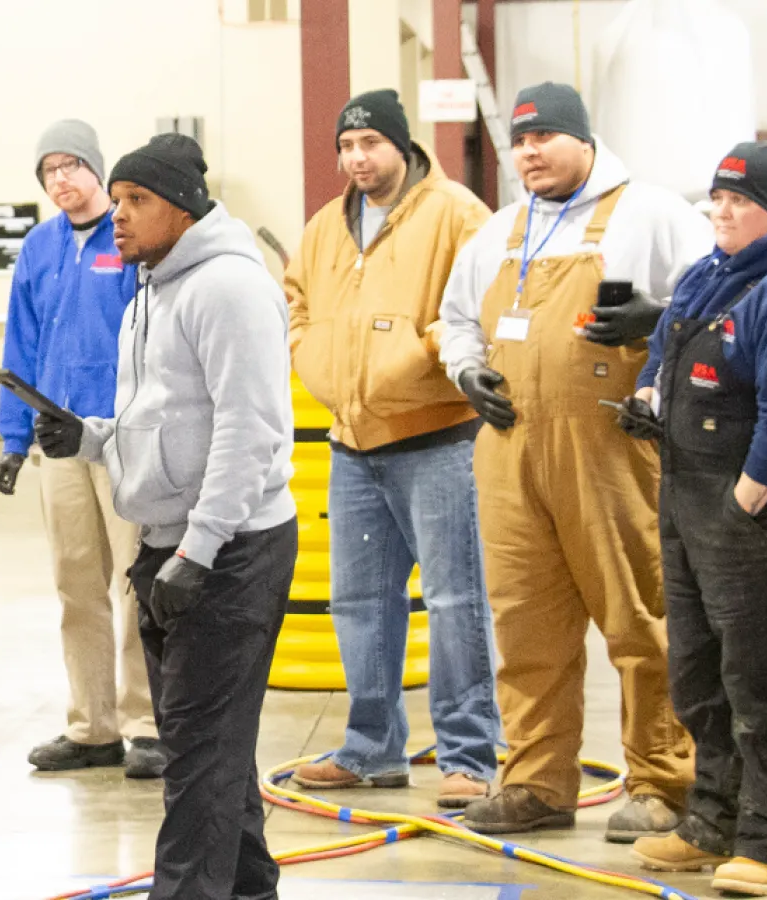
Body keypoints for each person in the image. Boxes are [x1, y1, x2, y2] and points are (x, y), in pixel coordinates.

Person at [437, 81, 710, 839]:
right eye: (520, 141)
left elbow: (719, 304)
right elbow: (454, 319)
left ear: (584, 140)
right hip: (508, 451)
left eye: (545, 137)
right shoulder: (497, 232)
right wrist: (467, 371)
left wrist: (662, 318)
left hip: (610, 448)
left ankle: (663, 780)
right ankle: (536, 782)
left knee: (639, 615)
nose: (530, 152)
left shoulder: (651, 214)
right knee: (526, 624)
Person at [33, 133, 296, 900]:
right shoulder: (154, 285)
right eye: (115, 200)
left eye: (136, 201)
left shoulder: (229, 289)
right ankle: (247, 888)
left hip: (228, 550)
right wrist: (91, 437)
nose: (118, 217)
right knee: (206, 745)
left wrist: (201, 551)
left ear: (182, 208)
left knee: (199, 758)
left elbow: (251, 433)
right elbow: (169, 418)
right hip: (171, 544)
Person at [621, 143, 767, 896]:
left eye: (738, 201)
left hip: (757, 512)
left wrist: (746, 501)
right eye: (716, 197)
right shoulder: (709, 275)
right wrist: (650, 397)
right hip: (689, 501)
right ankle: (712, 821)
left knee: (764, 685)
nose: (720, 211)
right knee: (699, 677)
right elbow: (661, 351)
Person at [284, 89, 500, 809]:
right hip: (351, 444)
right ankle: (372, 747)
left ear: (403, 147)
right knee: (360, 601)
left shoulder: (458, 215)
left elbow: (476, 310)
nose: (357, 159)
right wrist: (309, 355)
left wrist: (409, 356)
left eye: (370, 144)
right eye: (346, 148)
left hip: (437, 440)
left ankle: (468, 754)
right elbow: (298, 302)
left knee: (452, 599)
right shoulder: (325, 226)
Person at [0, 120, 161, 779]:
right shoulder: (39, 247)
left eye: (71, 166)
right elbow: (21, 348)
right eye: (48, 171)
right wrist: (12, 441)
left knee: (134, 582)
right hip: (56, 442)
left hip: (120, 438)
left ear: (97, 169)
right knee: (75, 582)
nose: (61, 180)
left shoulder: (128, 239)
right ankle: (92, 727)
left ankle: (146, 724)